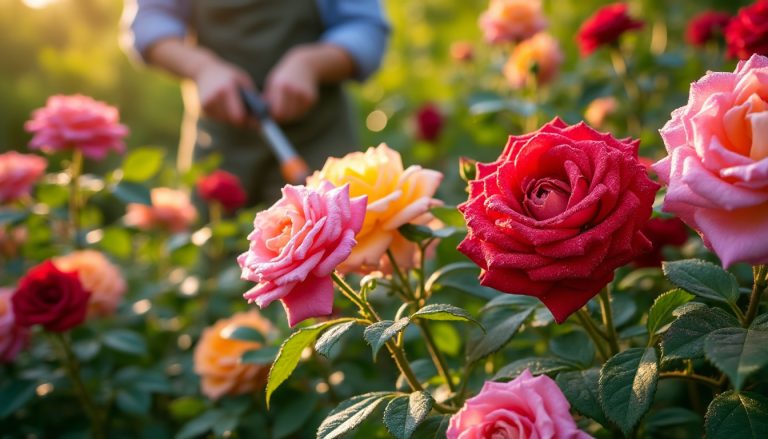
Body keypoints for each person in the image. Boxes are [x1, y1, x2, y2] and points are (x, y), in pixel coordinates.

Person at [121, 0, 390, 204]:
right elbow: (149, 23)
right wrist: (202, 68)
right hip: (220, 148)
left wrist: (312, 64)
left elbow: (366, 27)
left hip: (318, 138)